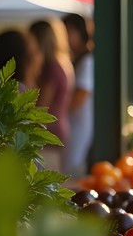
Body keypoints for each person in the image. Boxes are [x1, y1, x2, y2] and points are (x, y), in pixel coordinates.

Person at [29, 18, 75, 172]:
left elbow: (42, 107)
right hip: (59, 128)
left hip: (49, 132)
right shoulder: (63, 62)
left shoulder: (52, 68)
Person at [61, 14, 94, 177]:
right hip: (75, 126)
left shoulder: (87, 61)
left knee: (71, 171)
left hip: (78, 127)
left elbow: (80, 96)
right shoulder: (80, 60)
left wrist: (58, 110)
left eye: (67, 31)